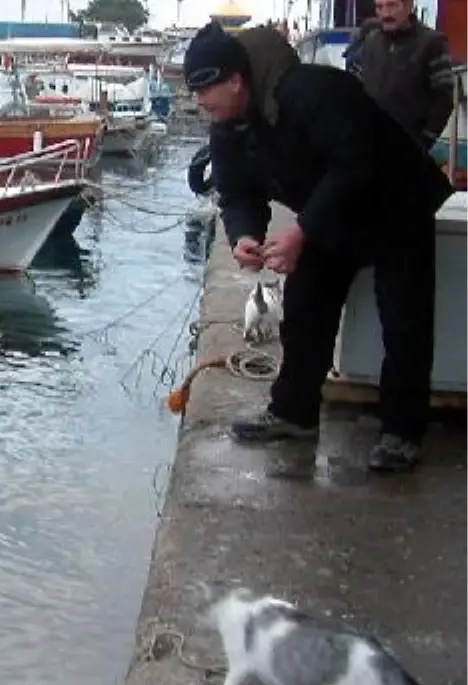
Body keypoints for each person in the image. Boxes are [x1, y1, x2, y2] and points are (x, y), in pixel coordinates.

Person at [185, 21, 453, 471]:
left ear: (235, 81)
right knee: (306, 308)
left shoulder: (313, 92)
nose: (198, 102)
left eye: (204, 90)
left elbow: (354, 165)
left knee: (404, 322)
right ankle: (294, 412)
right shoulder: (227, 125)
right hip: (328, 211)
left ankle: (402, 432)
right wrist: (245, 235)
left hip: (393, 202)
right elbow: (237, 193)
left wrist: (301, 231)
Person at [357, 0, 455, 151]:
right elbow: (362, 90)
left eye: (392, 5)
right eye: (379, 7)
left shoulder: (432, 43)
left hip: (409, 146)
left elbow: (444, 100)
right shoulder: (371, 41)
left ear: (409, 7)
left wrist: (424, 141)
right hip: (369, 145)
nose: (385, 13)